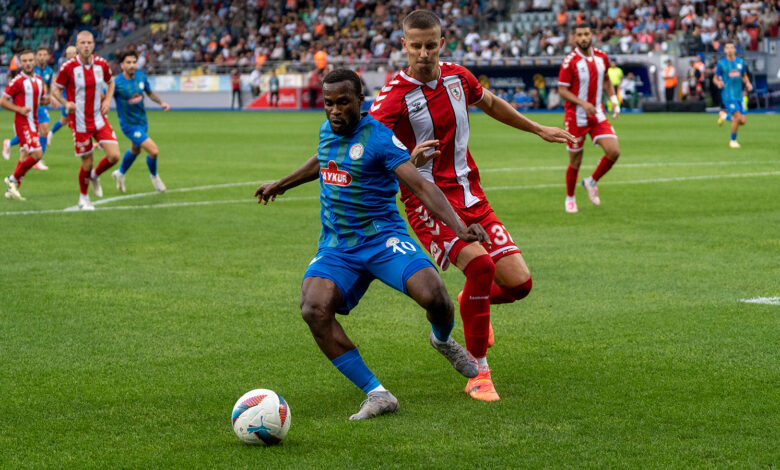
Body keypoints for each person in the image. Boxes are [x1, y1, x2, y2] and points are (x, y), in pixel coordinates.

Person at [254, 69, 491, 420]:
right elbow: (324, 159)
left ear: (360, 103)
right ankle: (378, 394)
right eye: (329, 103)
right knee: (313, 309)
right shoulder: (325, 131)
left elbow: (422, 187)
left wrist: (459, 227)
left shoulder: (380, 139)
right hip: (338, 246)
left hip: (383, 238)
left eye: (343, 102)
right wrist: (283, 184)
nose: (335, 110)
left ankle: (441, 339)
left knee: (436, 297)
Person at [370, 10, 574, 401]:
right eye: (416, 45)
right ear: (403, 46)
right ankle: (478, 372)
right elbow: (371, 153)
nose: (424, 52)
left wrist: (538, 128)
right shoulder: (392, 99)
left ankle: (469, 304)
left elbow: (492, 103)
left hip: (472, 196)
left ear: (442, 43)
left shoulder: (459, 77)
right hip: (427, 202)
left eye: (431, 44)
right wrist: (409, 162)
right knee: (481, 266)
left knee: (519, 284)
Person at [52, 31, 120, 211]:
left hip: (99, 118)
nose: (86, 46)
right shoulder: (68, 67)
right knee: (87, 163)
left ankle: (96, 175)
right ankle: (83, 198)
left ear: (93, 45)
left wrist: (107, 101)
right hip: (80, 122)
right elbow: (56, 90)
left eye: (89, 43)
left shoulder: (101, 64)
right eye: (82, 43)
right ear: (77, 45)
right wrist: (66, 103)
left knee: (114, 156)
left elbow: (111, 83)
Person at [557, 24, 621, 214]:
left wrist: (614, 101)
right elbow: (562, 90)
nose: (584, 38)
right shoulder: (570, 61)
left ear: (592, 35)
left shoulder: (602, 57)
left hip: (597, 113)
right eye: (580, 35)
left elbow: (607, 80)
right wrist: (582, 103)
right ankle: (570, 197)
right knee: (576, 160)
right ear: (574, 38)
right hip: (575, 117)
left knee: (614, 151)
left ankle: (591, 182)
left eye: (586, 34)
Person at [110, 50, 171, 193]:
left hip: (142, 122)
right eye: (128, 63)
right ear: (122, 65)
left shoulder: (141, 77)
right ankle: (154, 177)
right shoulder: (117, 83)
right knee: (154, 151)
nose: (132, 65)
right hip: (129, 125)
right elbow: (104, 99)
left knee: (135, 150)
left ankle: (120, 173)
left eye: (134, 62)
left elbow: (149, 92)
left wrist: (161, 102)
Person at [1, 50, 48, 200]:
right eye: (25, 61)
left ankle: (12, 190)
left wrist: (50, 99)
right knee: (37, 154)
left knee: (24, 156)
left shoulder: (39, 80)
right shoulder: (17, 81)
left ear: (34, 62)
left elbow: (40, 100)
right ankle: (13, 179)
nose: (28, 63)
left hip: (34, 122)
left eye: (30, 60)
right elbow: (3, 101)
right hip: (22, 123)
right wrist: (19, 109)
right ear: (21, 64)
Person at [714, 40, 753, 148]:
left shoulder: (741, 63)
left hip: (738, 95)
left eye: (732, 47)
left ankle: (724, 115)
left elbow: (744, 75)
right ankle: (733, 141)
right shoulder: (721, 64)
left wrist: (748, 83)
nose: (730, 49)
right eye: (727, 47)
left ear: (735, 49)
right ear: (725, 50)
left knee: (743, 121)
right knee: (737, 117)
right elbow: (715, 78)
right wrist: (718, 83)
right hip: (728, 95)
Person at [46, 46, 77, 146]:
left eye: (72, 53)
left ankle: (50, 133)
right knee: (68, 120)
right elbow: (58, 87)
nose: (70, 56)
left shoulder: (81, 66)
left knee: (65, 121)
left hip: (78, 98)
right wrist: (63, 101)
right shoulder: (65, 69)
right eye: (68, 54)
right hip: (68, 98)